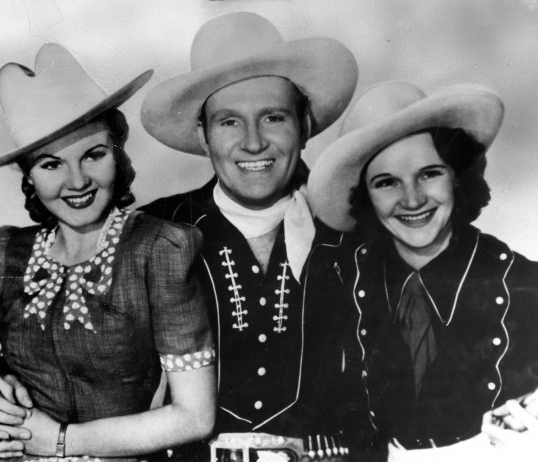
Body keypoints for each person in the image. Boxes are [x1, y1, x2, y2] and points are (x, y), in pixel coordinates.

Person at [0, 43, 216, 461]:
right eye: (51, 164)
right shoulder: (6, 252)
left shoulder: (160, 249)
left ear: (118, 153)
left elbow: (194, 417)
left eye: (93, 155)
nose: (77, 181)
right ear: (28, 175)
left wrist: (60, 441)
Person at [140, 11, 369, 461]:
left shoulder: (358, 229)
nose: (252, 143)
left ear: (304, 126)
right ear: (202, 135)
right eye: (229, 122)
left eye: (273, 118)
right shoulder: (153, 232)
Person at [308, 82, 538, 456]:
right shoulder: (343, 280)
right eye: (386, 182)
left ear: (458, 176)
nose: (412, 199)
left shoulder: (534, 287)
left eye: (429, 174)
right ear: (365, 196)